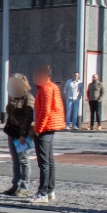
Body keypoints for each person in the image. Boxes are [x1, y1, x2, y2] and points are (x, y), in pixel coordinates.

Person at [31, 64, 66, 203]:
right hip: (51, 125)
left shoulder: (45, 89)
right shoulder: (51, 87)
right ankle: (50, 190)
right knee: (49, 161)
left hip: (46, 126)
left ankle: (43, 192)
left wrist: (38, 129)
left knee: (44, 162)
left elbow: (45, 111)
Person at [3, 73, 34, 197]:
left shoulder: (28, 97)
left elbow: (29, 117)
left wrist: (24, 134)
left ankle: (24, 186)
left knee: (23, 160)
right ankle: (15, 185)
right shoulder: (13, 96)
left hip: (23, 133)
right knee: (15, 160)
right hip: (12, 131)